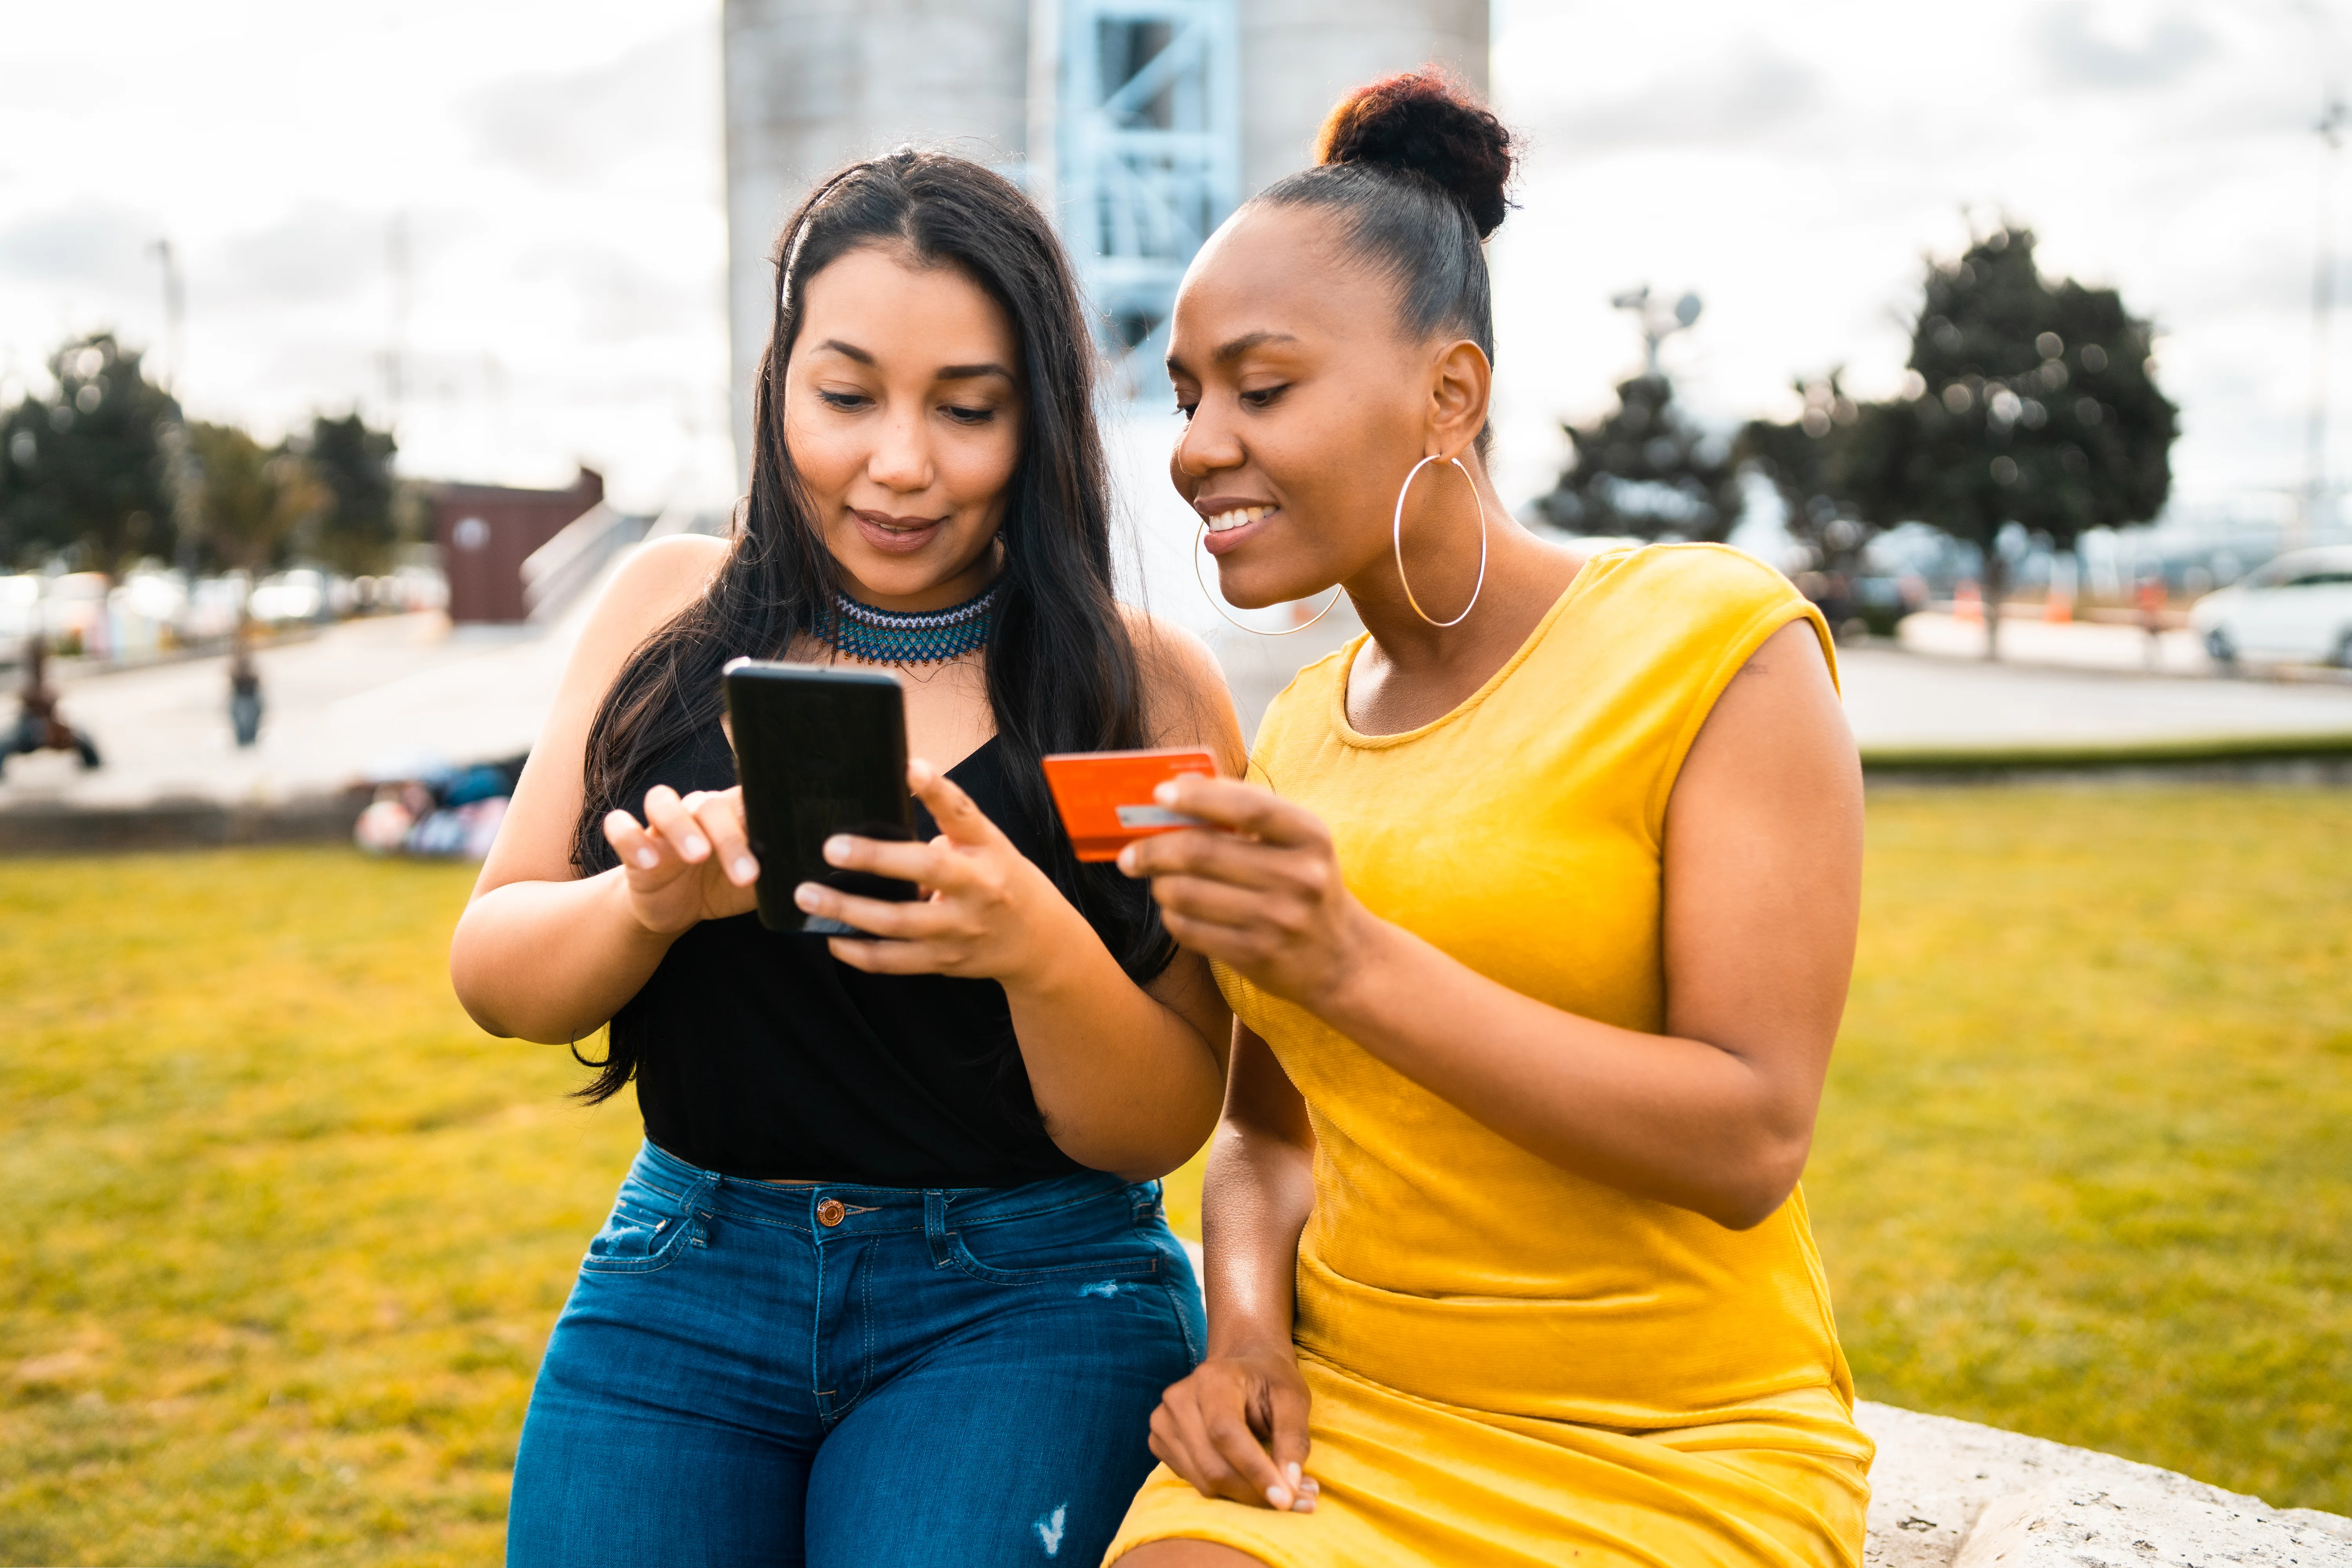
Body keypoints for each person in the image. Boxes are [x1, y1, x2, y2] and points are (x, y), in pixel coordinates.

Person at [1105, 71, 1873, 1567]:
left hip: (1677, 1435)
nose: (1198, 443)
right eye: (1190, 393)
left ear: (1450, 393)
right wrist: (1248, 1334)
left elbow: (1748, 1134)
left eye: (1259, 388)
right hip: (1360, 1416)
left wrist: (1348, 961)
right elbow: (1267, 1135)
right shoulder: (1298, 726)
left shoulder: (1710, 640)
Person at [449, 150, 1245, 1568]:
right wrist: (649, 902)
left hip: (1031, 1291)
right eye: (845, 394)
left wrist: (1031, 945)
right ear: (777, 390)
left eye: (966, 409)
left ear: (1040, 422)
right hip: (686, 1270)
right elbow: (499, 975)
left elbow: (1168, 1115)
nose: (899, 461)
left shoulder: (1141, 692)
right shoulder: (662, 607)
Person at [2, 634, 102, 776]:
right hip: (28, 725)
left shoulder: (48, 688)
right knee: (5, 742)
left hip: (50, 724)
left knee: (83, 736)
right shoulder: (28, 689)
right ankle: (93, 763)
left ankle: (93, 764)